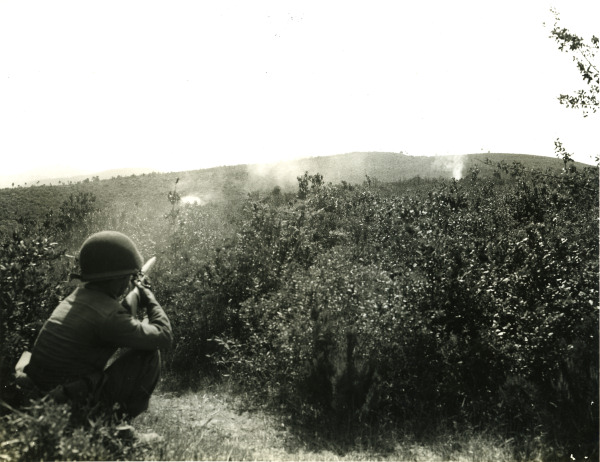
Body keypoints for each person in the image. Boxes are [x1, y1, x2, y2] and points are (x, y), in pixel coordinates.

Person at [23, 230, 172, 418]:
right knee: (149, 355)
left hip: (43, 397)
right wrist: (150, 298)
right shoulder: (109, 315)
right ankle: (114, 425)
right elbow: (164, 336)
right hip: (67, 407)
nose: (128, 283)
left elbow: (110, 320)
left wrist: (131, 302)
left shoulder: (76, 298)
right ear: (118, 279)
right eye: (128, 277)